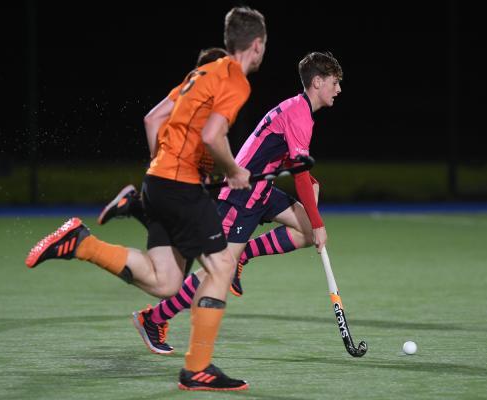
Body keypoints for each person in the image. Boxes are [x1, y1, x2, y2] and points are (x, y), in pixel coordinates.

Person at [25, 7, 267, 391]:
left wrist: (166, 167)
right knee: (222, 266)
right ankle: (197, 368)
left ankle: (82, 244)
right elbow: (212, 135)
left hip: (157, 179)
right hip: (180, 185)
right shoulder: (235, 79)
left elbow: (153, 119)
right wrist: (233, 172)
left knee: (166, 281)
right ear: (257, 44)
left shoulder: (200, 73)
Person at [102, 51, 343, 354]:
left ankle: (244, 256)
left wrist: (313, 204)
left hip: (262, 192)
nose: (338, 90)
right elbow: (298, 175)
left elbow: (298, 169)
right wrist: (318, 220)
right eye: (335, 83)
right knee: (216, 272)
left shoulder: (299, 110)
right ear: (317, 82)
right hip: (242, 197)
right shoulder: (298, 113)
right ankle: (154, 318)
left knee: (306, 231)